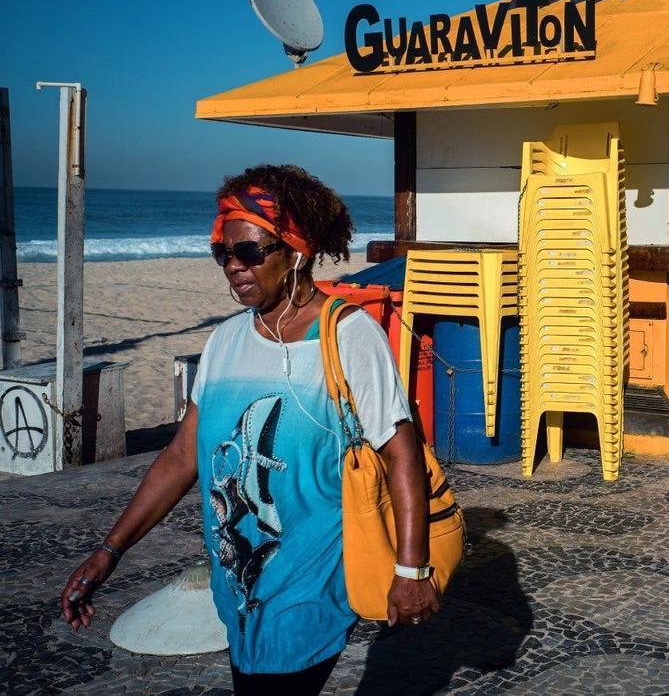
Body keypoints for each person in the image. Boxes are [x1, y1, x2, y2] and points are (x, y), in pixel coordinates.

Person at [60, 165, 438, 694]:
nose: (233, 267)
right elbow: (181, 455)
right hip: (239, 586)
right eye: (224, 254)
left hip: (310, 581)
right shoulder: (226, 342)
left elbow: (402, 455)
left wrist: (412, 570)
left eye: (250, 253)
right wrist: (110, 551)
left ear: (295, 252)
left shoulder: (347, 337)